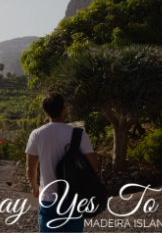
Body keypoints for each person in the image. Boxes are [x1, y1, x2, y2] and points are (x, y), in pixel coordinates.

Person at [25, 93, 99, 233]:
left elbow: (30, 168)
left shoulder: (36, 134)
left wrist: (35, 187)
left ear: (45, 111)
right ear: (64, 109)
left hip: (48, 199)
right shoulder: (79, 134)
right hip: (74, 198)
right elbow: (93, 165)